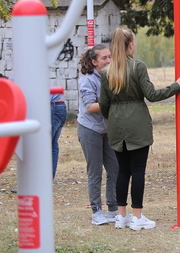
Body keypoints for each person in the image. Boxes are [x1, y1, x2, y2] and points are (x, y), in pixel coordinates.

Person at [99, 28, 180, 231]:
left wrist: (114, 117)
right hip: (137, 123)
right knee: (138, 171)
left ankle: (121, 216)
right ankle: (137, 217)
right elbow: (152, 95)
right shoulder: (138, 67)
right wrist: (176, 86)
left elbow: (103, 104)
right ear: (129, 45)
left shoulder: (106, 72)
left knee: (122, 171)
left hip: (117, 125)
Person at [77, 44, 119, 226]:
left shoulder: (111, 76)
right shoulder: (87, 79)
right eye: (104, 58)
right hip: (90, 130)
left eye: (110, 57)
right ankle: (96, 211)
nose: (109, 60)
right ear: (94, 62)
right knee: (95, 172)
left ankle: (113, 209)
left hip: (107, 130)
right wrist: (116, 104)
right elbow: (91, 106)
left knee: (115, 169)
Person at [50, 89, 67, 180]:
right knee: (52, 145)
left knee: (43, 147)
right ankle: (48, 178)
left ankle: (39, 180)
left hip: (52, 107)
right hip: (59, 106)